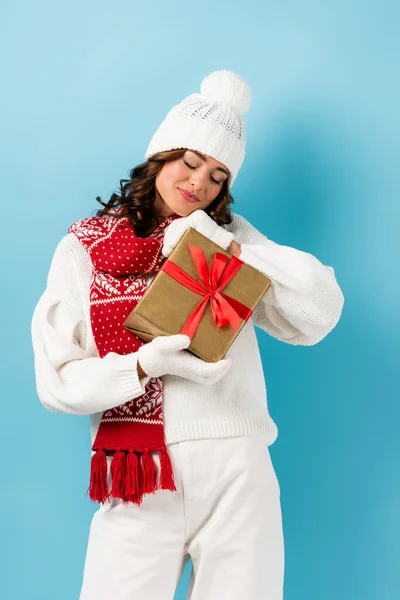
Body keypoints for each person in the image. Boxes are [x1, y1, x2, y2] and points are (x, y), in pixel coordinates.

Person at [31, 70, 344, 600]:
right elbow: (57, 380)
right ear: (160, 157)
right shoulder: (84, 249)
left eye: (218, 175)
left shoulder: (228, 238)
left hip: (236, 465)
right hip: (139, 474)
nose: (199, 182)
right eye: (190, 161)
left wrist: (220, 246)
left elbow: (319, 311)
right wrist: (144, 364)